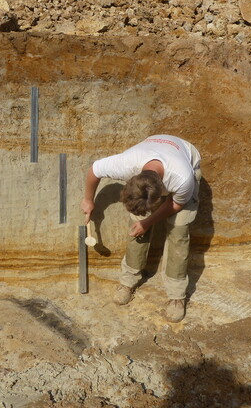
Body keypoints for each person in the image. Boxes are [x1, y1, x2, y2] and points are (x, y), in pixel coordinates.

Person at [81, 135, 201, 323]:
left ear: (159, 195)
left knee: (178, 233)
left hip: (184, 155)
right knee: (135, 227)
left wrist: (148, 222)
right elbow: (94, 170)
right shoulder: (125, 163)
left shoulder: (182, 178)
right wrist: (88, 199)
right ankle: (128, 280)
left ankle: (177, 296)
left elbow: (175, 204)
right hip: (153, 149)